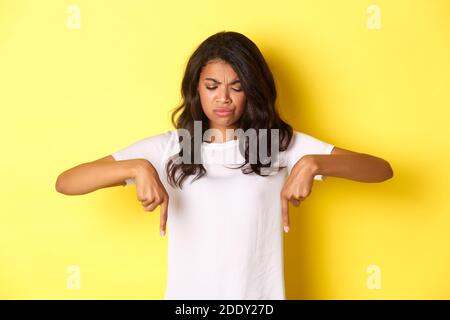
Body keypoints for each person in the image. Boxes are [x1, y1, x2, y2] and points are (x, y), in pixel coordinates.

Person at [55, 31, 394, 300]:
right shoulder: (174, 147)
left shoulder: (276, 144)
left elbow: (380, 170)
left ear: (253, 90)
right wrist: (137, 168)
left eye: (237, 87)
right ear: (196, 89)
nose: (223, 99)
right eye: (212, 86)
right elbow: (67, 182)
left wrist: (312, 163)